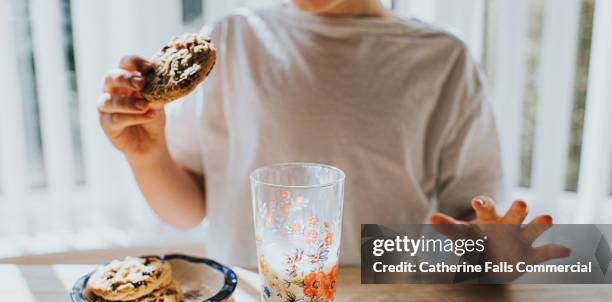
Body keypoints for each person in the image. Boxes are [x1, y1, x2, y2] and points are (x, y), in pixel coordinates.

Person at [97, 0, 569, 267]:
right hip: (248, 301)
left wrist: (489, 250)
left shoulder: (443, 60)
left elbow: (469, 218)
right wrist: (147, 155)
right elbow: (187, 210)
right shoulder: (232, 39)